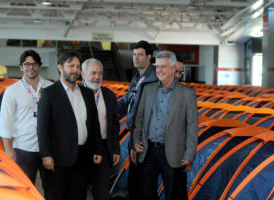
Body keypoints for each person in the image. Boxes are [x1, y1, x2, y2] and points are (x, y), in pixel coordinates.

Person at [132, 51, 198, 200]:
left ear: (174, 68)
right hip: (148, 151)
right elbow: (139, 118)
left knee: (175, 195)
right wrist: (136, 141)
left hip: (175, 153)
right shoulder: (148, 89)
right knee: (146, 194)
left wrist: (189, 154)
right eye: (157, 67)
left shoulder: (187, 94)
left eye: (163, 67)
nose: (159, 70)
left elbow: (192, 127)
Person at [37, 51, 103, 200]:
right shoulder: (49, 93)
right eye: (71, 65)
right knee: (57, 196)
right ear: (60, 67)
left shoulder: (87, 93)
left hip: (82, 157)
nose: (75, 70)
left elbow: (94, 124)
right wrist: (46, 154)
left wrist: (98, 149)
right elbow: (42, 128)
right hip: (57, 160)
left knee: (79, 195)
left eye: (78, 66)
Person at [0, 49, 53, 184]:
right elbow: (6, 122)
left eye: (34, 64)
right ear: (21, 67)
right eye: (27, 64)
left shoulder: (50, 87)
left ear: (39, 66)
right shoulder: (12, 90)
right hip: (23, 148)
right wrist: (8, 150)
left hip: (48, 147)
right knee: (26, 186)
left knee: (53, 189)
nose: (31, 67)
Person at [117, 40, 158, 200]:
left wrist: (137, 142)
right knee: (134, 183)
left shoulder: (154, 79)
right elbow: (127, 100)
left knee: (145, 185)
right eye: (134, 55)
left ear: (149, 57)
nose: (136, 58)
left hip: (144, 141)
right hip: (134, 136)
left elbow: (150, 116)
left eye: (140, 54)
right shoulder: (137, 78)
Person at [81, 58, 120, 200]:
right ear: (83, 74)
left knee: (102, 192)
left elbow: (115, 125)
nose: (97, 77)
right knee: (78, 192)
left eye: (100, 73)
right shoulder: (74, 94)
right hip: (81, 149)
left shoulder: (109, 96)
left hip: (104, 148)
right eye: (93, 73)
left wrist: (115, 149)